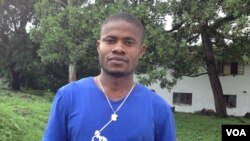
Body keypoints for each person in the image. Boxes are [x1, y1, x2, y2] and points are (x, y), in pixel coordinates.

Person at [42, 12, 176, 141]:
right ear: (98, 46)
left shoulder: (158, 109)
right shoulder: (68, 97)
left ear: (141, 51)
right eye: (110, 40)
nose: (118, 48)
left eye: (129, 43)